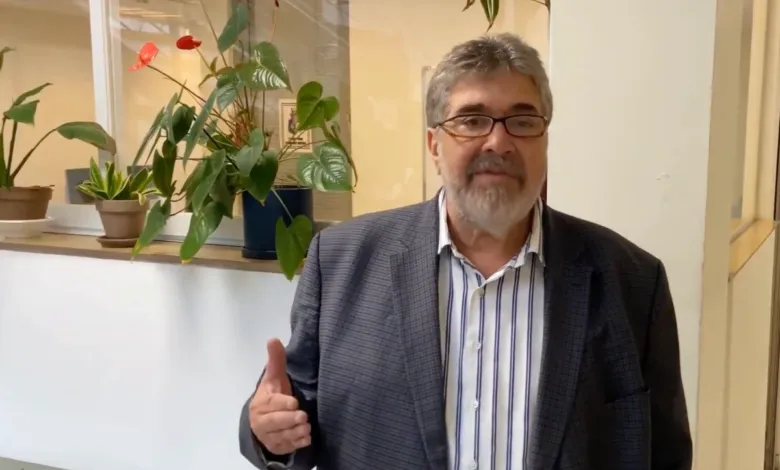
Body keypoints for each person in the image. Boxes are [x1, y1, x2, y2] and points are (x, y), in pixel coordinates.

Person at [238, 33, 692, 470]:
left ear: (545, 140)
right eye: (472, 120)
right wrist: (267, 429)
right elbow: (294, 412)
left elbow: (664, 454)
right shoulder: (340, 262)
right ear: (434, 145)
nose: (498, 141)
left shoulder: (632, 282)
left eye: (523, 120)